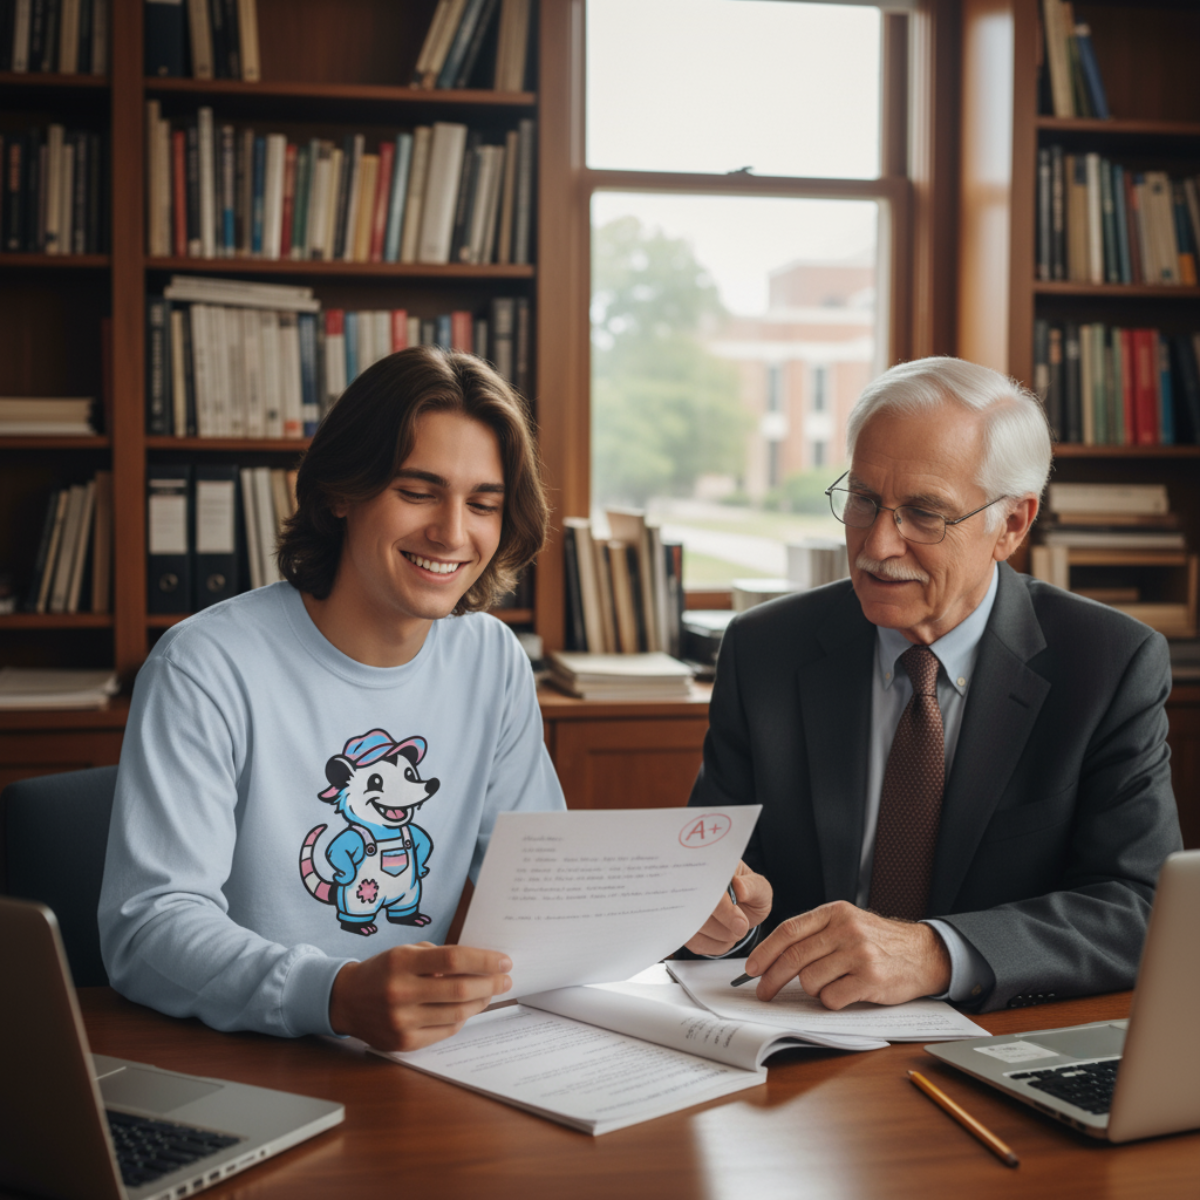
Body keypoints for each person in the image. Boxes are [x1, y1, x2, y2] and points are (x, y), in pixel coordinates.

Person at [100, 347, 566, 1051]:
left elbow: (541, 883)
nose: (452, 532)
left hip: (414, 1063)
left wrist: (677, 906)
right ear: (339, 492)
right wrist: (336, 995)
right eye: (417, 491)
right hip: (246, 1058)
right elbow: (150, 925)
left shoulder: (492, 658)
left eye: (483, 504)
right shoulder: (207, 664)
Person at [684, 356, 1182, 1013]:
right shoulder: (765, 650)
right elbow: (709, 871)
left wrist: (938, 951)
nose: (878, 544)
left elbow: (1140, 907)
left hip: (996, 1038)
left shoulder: (1107, 664)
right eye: (863, 500)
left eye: (924, 514)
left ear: (1011, 525)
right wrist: (718, 912)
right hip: (796, 1035)